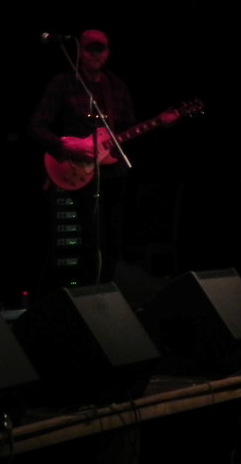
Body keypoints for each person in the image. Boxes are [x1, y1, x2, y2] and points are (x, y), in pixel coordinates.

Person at [28, 29, 180, 297]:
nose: (96, 55)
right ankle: (85, 296)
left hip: (113, 174)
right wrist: (67, 146)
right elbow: (37, 126)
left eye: (102, 49)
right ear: (80, 50)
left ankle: (107, 296)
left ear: (109, 52)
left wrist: (158, 123)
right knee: (89, 240)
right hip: (75, 170)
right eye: (91, 49)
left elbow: (129, 129)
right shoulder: (63, 83)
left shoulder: (116, 86)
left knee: (113, 242)